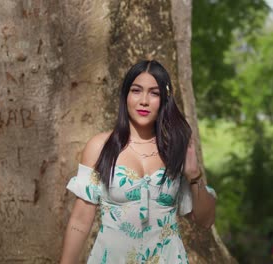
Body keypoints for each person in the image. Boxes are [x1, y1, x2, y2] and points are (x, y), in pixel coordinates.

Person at [60, 60, 217, 264]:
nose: (144, 100)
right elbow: (81, 219)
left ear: (164, 99)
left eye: (154, 93)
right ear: (126, 96)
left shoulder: (176, 149)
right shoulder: (100, 147)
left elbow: (206, 220)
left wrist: (194, 174)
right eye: (136, 90)